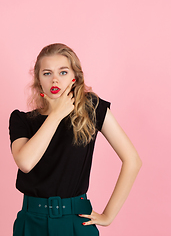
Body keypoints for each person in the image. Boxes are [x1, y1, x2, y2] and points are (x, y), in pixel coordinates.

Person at [9, 43, 142, 236]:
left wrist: (108, 215)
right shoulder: (21, 120)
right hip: (32, 222)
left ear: (74, 77)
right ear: (38, 80)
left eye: (63, 72)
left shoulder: (91, 108)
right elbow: (25, 162)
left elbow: (133, 161)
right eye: (47, 73)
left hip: (75, 220)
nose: (55, 79)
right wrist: (56, 114)